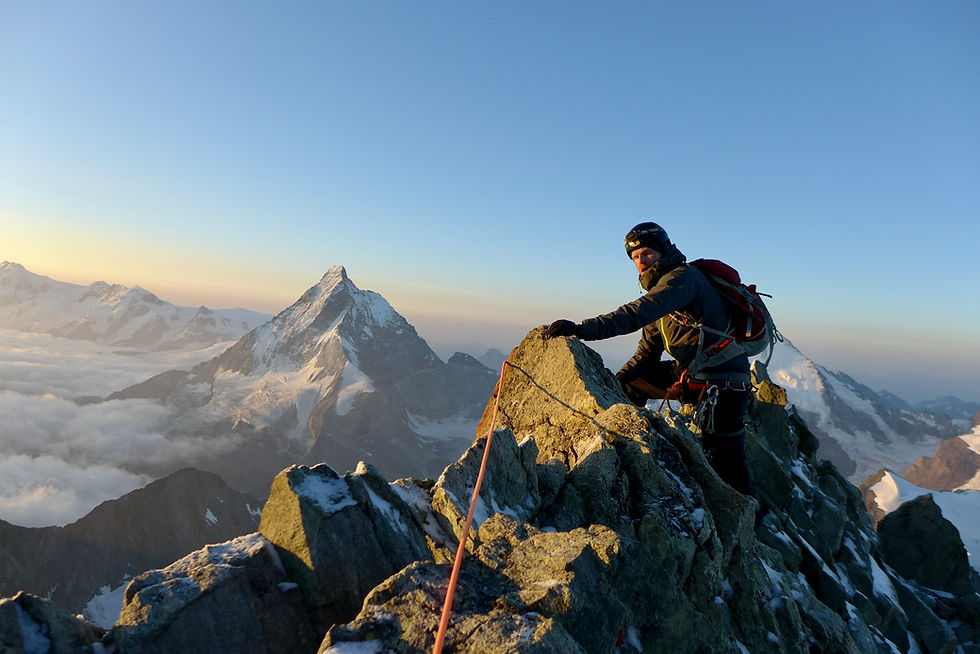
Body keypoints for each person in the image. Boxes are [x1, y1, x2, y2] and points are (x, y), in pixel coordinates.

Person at [543, 222, 752, 494]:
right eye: (635, 257)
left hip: (724, 381)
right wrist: (614, 386)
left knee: (726, 459)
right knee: (632, 382)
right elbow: (646, 354)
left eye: (647, 253)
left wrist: (583, 329)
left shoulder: (682, 279)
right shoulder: (663, 296)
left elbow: (636, 313)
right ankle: (629, 445)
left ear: (663, 251)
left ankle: (749, 519)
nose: (641, 261)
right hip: (694, 376)